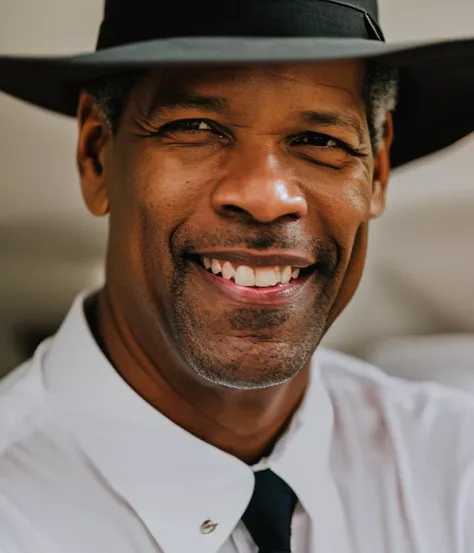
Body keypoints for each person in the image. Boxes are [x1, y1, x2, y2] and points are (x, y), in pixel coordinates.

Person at [0, 0, 473, 551]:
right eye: (196, 128)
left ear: (378, 170)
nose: (267, 197)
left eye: (321, 140)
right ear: (97, 156)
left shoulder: (453, 469)